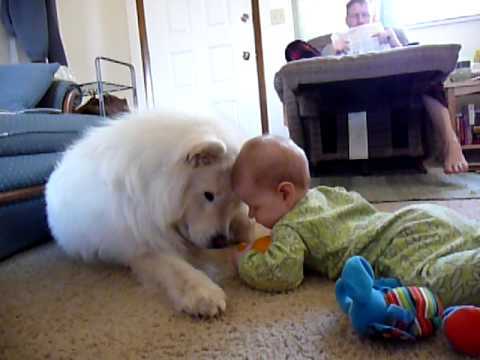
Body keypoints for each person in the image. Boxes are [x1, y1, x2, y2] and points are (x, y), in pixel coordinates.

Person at [231, 134, 480, 307]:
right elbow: (358, 204)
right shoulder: (325, 193)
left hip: (397, 246)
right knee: (465, 236)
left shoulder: (289, 226)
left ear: (284, 193)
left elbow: (282, 272)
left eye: (255, 206)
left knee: (430, 285)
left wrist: (246, 261)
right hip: (416, 216)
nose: (252, 216)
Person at [285, 0, 469, 174]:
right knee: (295, 49)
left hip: (387, 89)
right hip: (347, 91)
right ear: (347, 20)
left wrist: (394, 42)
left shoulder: (388, 37)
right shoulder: (334, 43)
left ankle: (452, 143)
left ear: (372, 18)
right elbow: (312, 69)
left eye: (364, 15)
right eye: (355, 16)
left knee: (428, 79)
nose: (360, 20)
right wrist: (333, 51)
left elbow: (412, 66)